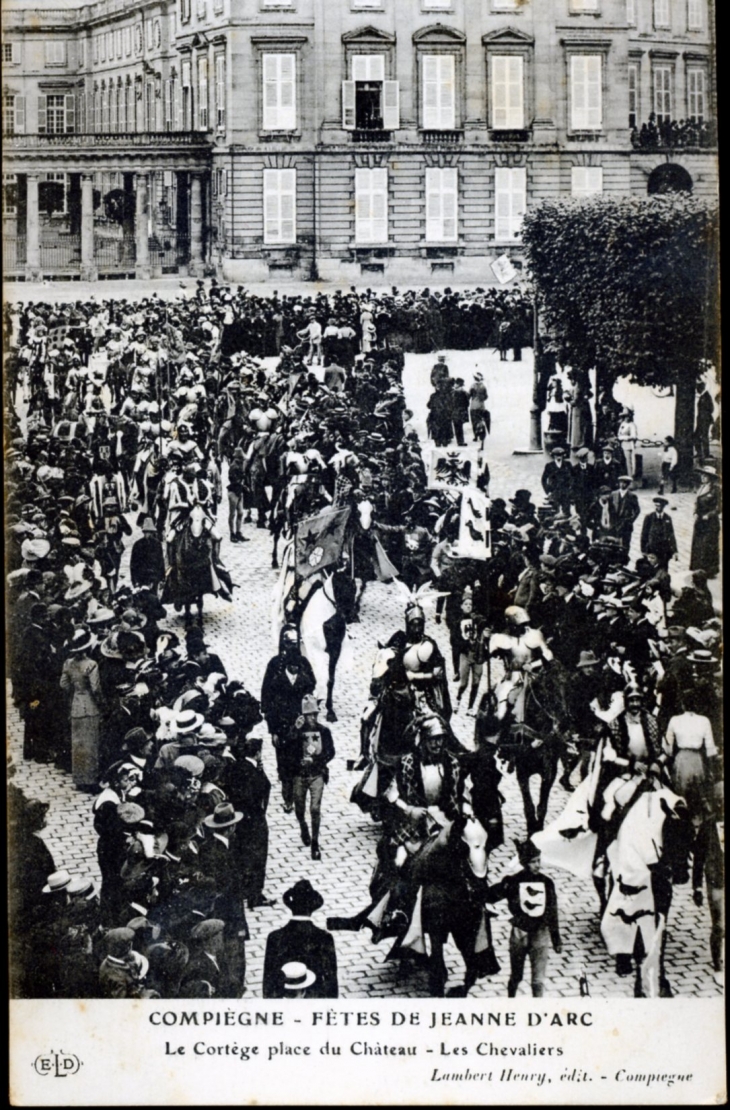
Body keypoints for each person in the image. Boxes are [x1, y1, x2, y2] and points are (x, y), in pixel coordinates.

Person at [485, 839, 562, 998]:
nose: (537, 865)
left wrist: (556, 939)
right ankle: (511, 1000)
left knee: (538, 981)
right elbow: (490, 896)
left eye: (539, 861)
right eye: (533, 862)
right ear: (524, 862)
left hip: (540, 934)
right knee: (516, 976)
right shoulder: (512, 882)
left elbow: (552, 911)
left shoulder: (547, 883)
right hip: (519, 934)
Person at [260, 626, 317, 813]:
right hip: (282, 726)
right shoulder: (275, 668)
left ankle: (298, 794)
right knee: (283, 763)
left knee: (301, 759)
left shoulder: (305, 670)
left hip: (301, 726)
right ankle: (287, 797)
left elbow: (312, 688)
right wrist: (273, 731)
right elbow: (267, 701)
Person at [262, 879, 338, 998]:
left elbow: (268, 983)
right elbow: (331, 982)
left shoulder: (274, 937)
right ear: (312, 909)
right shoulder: (324, 938)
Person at [224, 735, 276, 908]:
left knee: (242, 853)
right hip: (254, 819)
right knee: (258, 856)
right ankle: (255, 894)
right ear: (258, 753)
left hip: (238, 819)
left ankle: (244, 889)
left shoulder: (235, 767)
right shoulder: (254, 772)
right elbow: (261, 792)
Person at [289, 695, 335, 861]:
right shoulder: (296, 730)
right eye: (309, 715)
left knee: (315, 808)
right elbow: (287, 751)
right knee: (299, 807)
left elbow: (330, 752)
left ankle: (315, 842)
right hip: (299, 775)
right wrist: (294, 731)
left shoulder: (323, 731)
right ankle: (303, 825)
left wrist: (316, 760)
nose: (313, 718)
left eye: (315, 714)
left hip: (317, 774)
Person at [59, 628, 103, 791]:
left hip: (76, 706)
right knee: (91, 744)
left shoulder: (68, 663)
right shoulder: (91, 665)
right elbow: (95, 688)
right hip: (90, 706)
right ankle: (91, 780)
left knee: (78, 744)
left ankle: (79, 778)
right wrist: (101, 704)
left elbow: (63, 684)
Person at [690, 464, 720, 578]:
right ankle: (698, 568)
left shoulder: (716, 490)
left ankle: (709, 570)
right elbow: (696, 503)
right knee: (698, 543)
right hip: (700, 520)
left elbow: (719, 507)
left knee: (708, 544)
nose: (702, 477)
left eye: (705, 476)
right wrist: (695, 513)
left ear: (711, 478)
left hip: (710, 522)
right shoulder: (701, 488)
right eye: (702, 475)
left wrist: (709, 515)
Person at [640, 496, 677, 570]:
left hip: (664, 550)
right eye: (656, 506)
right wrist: (643, 550)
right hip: (652, 548)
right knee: (651, 568)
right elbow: (644, 534)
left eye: (660, 506)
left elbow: (671, 535)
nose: (658, 508)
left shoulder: (667, 518)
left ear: (663, 506)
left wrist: (675, 551)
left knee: (663, 569)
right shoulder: (649, 517)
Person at [129, 517, 166, 591]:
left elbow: (160, 562)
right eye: (146, 532)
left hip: (153, 578)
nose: (148, 534)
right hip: (141, 577)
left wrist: (162, 578)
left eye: (150, 532)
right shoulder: (137, 545)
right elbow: (133, 564)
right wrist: (135, 581)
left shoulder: (157, 544)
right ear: (143, 532)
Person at [610, 474, 641, 551]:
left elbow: (637, 510)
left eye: (624, 483)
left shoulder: (632, 496)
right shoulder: (613, 494)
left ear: (628, 484)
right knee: (613, 542)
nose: (622, 484)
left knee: (626, 544)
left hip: (626, 524)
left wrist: (631, 520)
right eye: (621, 482)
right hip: (615, 522)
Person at [541, 447, 573, 515]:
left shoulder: (567, 464)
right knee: (554, 511)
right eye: (556, 455)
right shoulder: (549, 466)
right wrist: (548, 491)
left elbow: (573, 477)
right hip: (554, 492)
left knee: (567, 512)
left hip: (565, 492)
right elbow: (543, 479)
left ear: (563, 455)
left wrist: (570, 489)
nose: (559, 457)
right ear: (553, 456)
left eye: (560, 455)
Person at [694, 381, 714, 465]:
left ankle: (705, 454)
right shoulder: (704, 396)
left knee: (702, 436)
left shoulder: (706, 396)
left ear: (700, 388)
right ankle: (702, 453)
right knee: (698, 436)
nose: (696, 390)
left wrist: (705, 416)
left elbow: (711, 408)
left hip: (704, 420)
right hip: (702, 420)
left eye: (697, 389)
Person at [617, 407, 638, 478]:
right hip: (622, 445)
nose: (627, 418)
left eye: (628, 416)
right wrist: (623, 437)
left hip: (629, 446)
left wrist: (625, 437)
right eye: (625, 416)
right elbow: (619, 435)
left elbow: (634, 436)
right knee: (623, 462)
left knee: (629, 463)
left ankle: (631, 477)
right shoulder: (622, 424)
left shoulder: (632, 425)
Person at [468, 372, 489, 441]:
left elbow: (469, 395)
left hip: (473, 406)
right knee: (480, 419)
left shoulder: (472, 386)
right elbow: (486, 396)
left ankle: (476, 436)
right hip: (481, 406)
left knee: (474, 421)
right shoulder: (483, 386)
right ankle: (482, 434)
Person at [451, 378, 470, 447]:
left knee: (456, 427)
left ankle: (459, 441)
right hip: (461, 412)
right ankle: (461, 442)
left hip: (454, 412)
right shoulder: (463, 392)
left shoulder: (452, 392)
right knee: (460, 427)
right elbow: (467, 403)